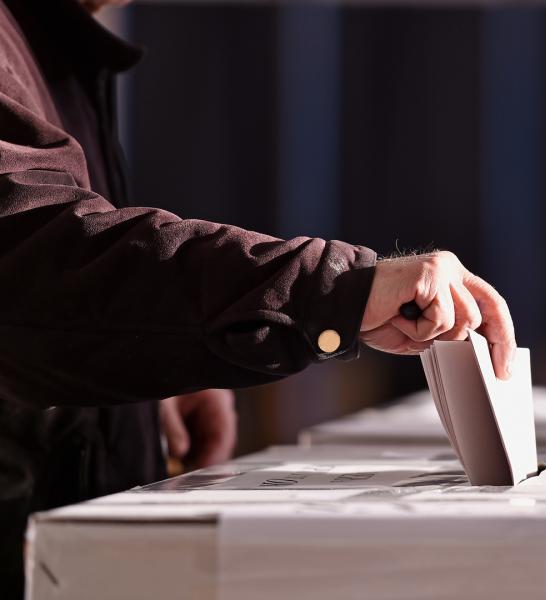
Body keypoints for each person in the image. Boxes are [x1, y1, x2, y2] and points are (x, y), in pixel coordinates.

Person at [0, 0, 516, 593]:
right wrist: (334, 290)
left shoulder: (46, 37)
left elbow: (51, 316)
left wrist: (142, 387)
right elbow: (30, 269)